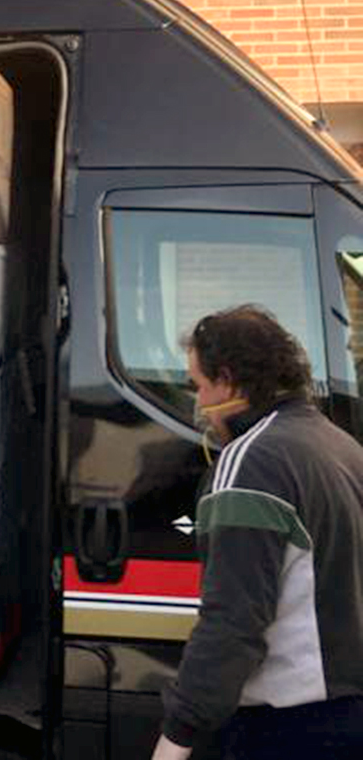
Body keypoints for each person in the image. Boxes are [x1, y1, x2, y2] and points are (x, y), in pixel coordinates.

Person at [152, 305, 363, 760]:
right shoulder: (339, 446)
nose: (199, 403)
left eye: (198, 385)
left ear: (228, 382)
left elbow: (233, 620)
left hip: (288, 728)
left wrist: (177, 736)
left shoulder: (249, 463)